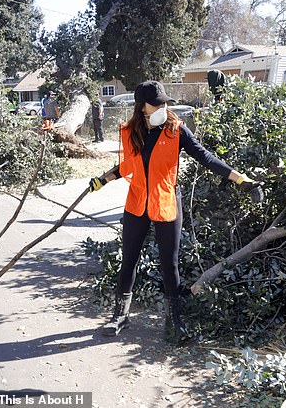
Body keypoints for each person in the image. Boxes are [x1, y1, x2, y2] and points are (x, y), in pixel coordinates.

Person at [88, 80, 263, 344]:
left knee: (169, 264)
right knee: (129, 260)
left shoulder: (176, 131)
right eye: (156, 103)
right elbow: (127, 166)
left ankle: (174, 322)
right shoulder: (129, 131)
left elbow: (205, 157)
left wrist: (241, 179)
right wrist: (103, 179)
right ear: (142, 106)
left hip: (166, 203)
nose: (163, 107)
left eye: (164, 102)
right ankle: (120, 316)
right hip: (137, 203)